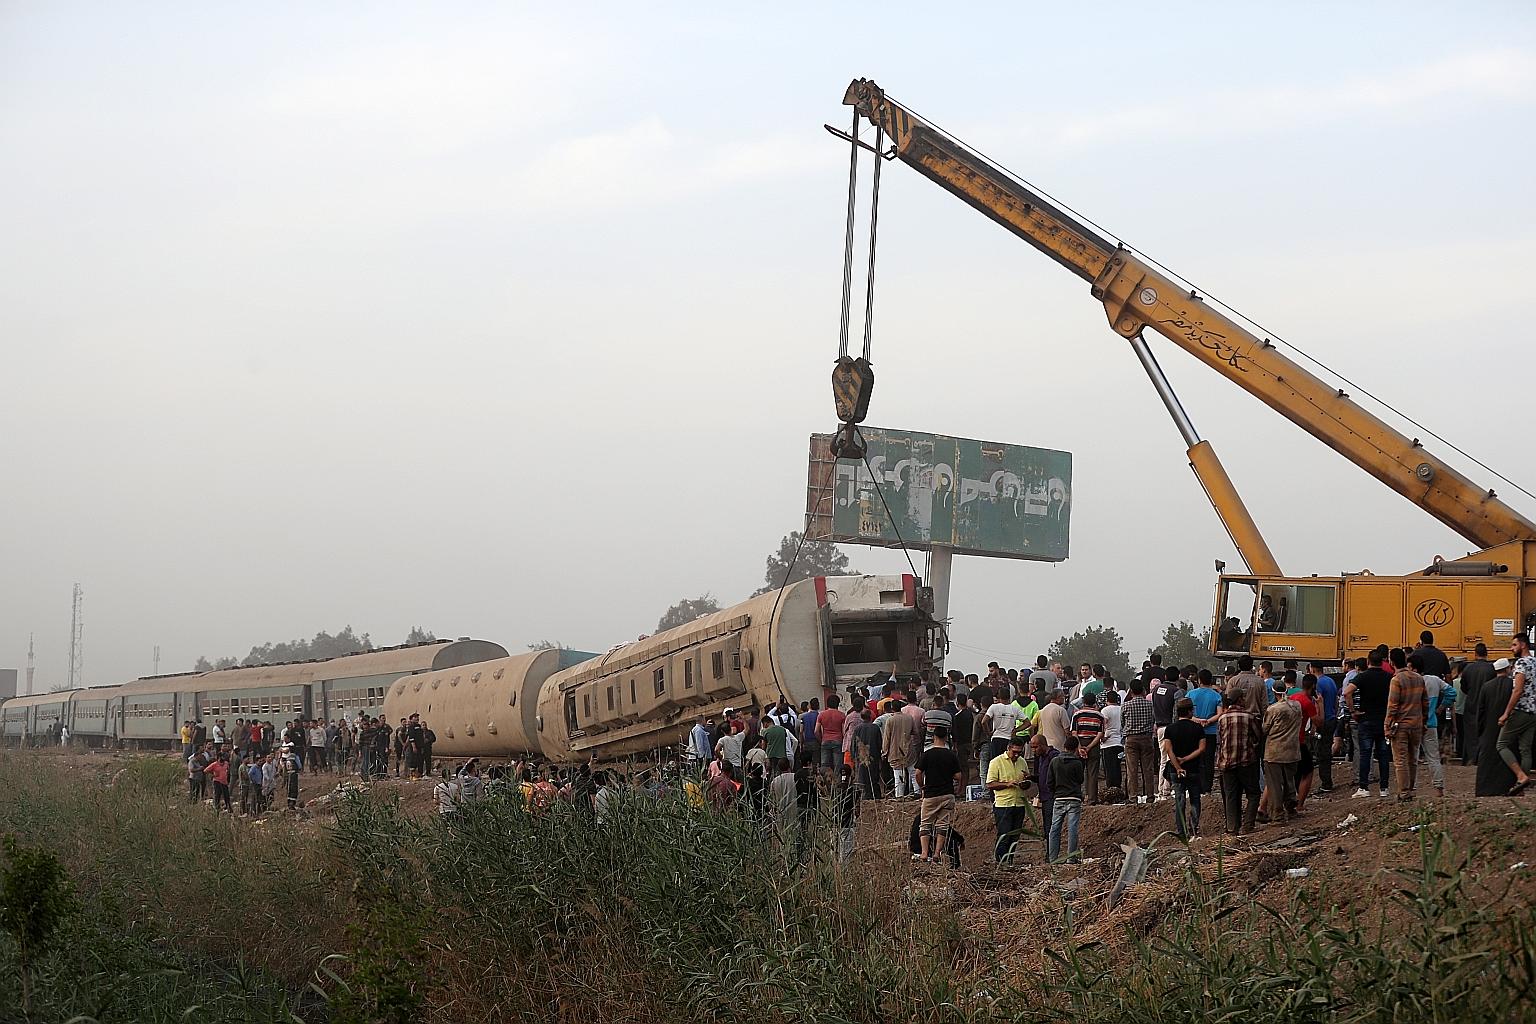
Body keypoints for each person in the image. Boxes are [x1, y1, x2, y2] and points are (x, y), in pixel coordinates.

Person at [1345, 650, 1394, 798]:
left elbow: (1347, 692)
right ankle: (1384, 788)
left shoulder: (1362, 677)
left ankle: (1364, 787)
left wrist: (1353, 711)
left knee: (1366, 754)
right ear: (1382, 662)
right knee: (1383, 755)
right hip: (1384, 720)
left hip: (1366, 719)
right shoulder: (1389, 677)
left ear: (1368, 661)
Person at [1385, 650, 1429, 802]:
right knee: (1413, 758)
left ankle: (1404, 792)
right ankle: (1411, 789)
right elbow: (1425, 703)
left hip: (1401, 726)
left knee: (1400, 760)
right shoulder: (1419, 678)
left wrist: (1387, 725)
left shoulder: (1396, 680)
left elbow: (1392, 706)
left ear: (1391, 662)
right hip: (1416, 724)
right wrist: (1424, 721)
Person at [913, 728, 960, 865]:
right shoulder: (951, 755)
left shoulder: (927, 754)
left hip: (931, 794)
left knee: (925, 824)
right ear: (946, 738)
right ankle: (937, 853)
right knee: (943, 824)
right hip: (947, 794)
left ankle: (924, 853)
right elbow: (958, 776)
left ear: (933, 737)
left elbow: (917, 773)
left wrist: (922, 786)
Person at [1217, 691, 1262, 834]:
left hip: (1226, 763)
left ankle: (1232, 827)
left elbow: (1221, 738)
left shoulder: (1222, 718)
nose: (1245, 700)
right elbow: (1258, 736)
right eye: (1243, 697)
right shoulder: (1249, 717)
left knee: (1231, 795)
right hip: (1246, 761)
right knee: (1253, 794)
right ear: (1239, 699)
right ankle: (1248, 825)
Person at [1496, 635, 1536, 794]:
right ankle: (1521, 789)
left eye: (1514, 645)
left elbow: (1517, 690)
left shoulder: (1521, 663)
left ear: (1523, 645)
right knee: (1525, 749)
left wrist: (1506, 713)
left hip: (1521, 710)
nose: (1511, 648)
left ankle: (1520, 776)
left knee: (1501, 744)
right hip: (1534, 713)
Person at [1162, 698, 1207, 838]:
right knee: (1195, 800)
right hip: (1193, 769)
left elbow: (1168, 750)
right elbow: (1202, 748)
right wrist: (1186, 759)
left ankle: (1181, 832)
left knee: (1179, 801)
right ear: (1189, 711)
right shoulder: (1198, 728)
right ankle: (1194, 829)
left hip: (1175, 771)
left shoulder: (1170, 729)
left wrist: (1177, 766)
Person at [1476, 658, 1519, 796]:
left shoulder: (1486, 686)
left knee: (1487, 759)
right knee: (1508, 756)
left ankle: (1485, 789)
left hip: (1489, 728)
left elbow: (1481, 711)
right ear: (1508, 669)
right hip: (1509, 726)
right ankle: (1508, 788)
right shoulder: (1513, 685)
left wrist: (1480, 730)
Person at [1261, 680, 1302, 821]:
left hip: (1274, 752)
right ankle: (1291, 809)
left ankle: (1277, 814)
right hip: (1292, 750)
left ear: (1273, 692)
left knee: (1275, 785)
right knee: (1289, 781)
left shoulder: (1273, 709)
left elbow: (1264, 729)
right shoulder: (1297, 706)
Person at [985, 735, 1031, 864]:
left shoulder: (1022, 761)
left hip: (1019, 803)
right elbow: (990, 784)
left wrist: (1026, 783)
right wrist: (1007, 784)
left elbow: (1027, 781)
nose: (1016, 755)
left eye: (1019, 752)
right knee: (1004, 835)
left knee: (1014, 836)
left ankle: (1009, 861)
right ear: (1008, 748)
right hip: (1003, 804)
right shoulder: (996, 762)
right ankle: (1000, 862)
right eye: (1014, 752)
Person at [1047, 734, 1085, 862]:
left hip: (1059, 798)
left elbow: (1049, 782)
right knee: (1072, 828)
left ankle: (1053, 858)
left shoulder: (1055, 761)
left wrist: (1055, 793)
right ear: (1075, 748)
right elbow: (1080, 780)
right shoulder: (1077, 763)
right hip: (1074, 798)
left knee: (1054, 829)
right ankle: (1071, 858)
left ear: (1064, 746)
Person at [1459, 643, 1495, 765]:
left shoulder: (1468, 669)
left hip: (1471, 704)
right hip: (1488, 705)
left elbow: (1463, 688)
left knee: (1470, 732)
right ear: (1486, 653)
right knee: (1485, 731)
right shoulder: (1492, 669)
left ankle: (1471, 758)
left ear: (1475, 654)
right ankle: (1483, 757)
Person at [1121, 682, 1157, 804]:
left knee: (1132, 770)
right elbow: (1153, 720)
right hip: (1146, 738)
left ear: (1131, 691)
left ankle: (1133, 797)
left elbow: (1122, 723)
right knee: (1148, 769)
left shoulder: (1125, 705)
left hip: (1131, 739)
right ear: (1143, 691)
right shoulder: (1150, 705)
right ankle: (1150, 796)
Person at [1071, 692, 1104, 804]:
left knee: (1076, 772)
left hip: (1079, 742)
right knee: (1092, 772)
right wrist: (1089, 747)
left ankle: (1077, 797)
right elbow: (1100, 734)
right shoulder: (1099, 715)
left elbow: (1074, 732)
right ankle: (1092, 799)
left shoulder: (1077, 714)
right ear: (1094, 702)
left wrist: (1080, 747)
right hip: (1093, 745)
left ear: (1083, 702)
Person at [882, 699, 917, 799]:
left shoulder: (890, 720)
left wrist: (884, 752)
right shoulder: (909, 718)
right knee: (913, 772)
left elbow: (887, 738)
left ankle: (899, 796)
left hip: (895, 750)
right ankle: (917, 792)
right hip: (908, 749)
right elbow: (915, 732)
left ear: (892, 708)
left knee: (898, 775)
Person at [814, 695, 847, 783]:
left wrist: (821, 740)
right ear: (838, 704)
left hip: (825, 740)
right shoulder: (842, 715)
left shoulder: (821, 715)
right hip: (838, 741)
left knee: (825, 765)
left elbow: (816, 731)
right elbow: (844, 732)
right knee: (838, 766)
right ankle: (837, 786)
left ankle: (826, 785)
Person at [1099, 690, 1124, 797]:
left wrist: (1103, 737)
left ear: (1107, 700)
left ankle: (1111, 791)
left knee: (1109, 768)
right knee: (1117, 767)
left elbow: (1102, 724)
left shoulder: (1105, 710)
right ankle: (1118, 789)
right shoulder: (1122, 709)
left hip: (1108, 743)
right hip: (1119, 743)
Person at [1037, 687, 1070, 752]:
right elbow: (1067, 731)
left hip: (1047, 743)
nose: (1064, 698)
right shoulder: (1060, 710)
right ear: (1058, 697)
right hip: (1059, 745)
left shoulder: (1043, 710)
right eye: (1063, 696)